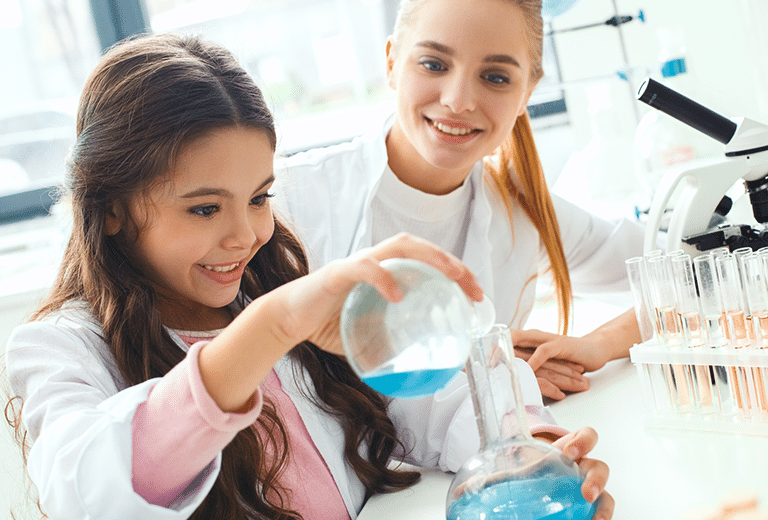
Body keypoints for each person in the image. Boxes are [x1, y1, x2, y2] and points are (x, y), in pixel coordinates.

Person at [4, 34, 613, 519]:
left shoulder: (267, 293)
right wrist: (269, 327)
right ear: (111, 208)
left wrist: (526, 445)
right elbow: (88, 493)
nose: (245, 235)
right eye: (205, 208)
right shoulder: (60, 347)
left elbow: (422, 400)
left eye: (260, 197)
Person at [274, 0, 646, 401]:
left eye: (496, 77)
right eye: (434, 64)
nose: (458, 100)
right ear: (391, 62)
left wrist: (599, 345)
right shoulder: (287, 200)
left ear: (528, 94)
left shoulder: (521, 208)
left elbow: (689, 277)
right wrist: (493, 383)